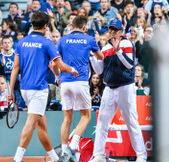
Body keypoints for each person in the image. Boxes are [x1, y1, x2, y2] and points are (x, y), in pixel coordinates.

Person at [9, 12, 78, 162]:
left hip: (24, 89)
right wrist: (72, 70)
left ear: (32, 24)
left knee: (42, 126)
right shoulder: (47, 43)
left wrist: (10, 90)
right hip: (39, 89)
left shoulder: (21, 42)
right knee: (31, 124)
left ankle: (54, 158)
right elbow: (60, 66)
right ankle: (17, 158)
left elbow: (15, 68)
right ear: (46, 26)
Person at [89, 19, 147, 162]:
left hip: (125, 87)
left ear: (121, 32)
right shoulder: (104, 48)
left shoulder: (127, 43)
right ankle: (99, 155)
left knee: (131, 122)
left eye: (116, 30)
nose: (113, 32)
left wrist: (118, 51)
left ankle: (141, 155)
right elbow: (100, 70)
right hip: (109, 87)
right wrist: (92, 58)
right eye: (111, 29)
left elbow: (129, 65)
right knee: (102, 122)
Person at [56, 15, 104, 160]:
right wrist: (91, 52)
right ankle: (73, 145)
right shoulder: (89, 39)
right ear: (84, 27)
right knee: (86, 115)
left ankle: (64, 151)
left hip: (64, 81)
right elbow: (101, 57)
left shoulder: (62, 39)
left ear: (71, 25)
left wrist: (58, 77)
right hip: (81, 81)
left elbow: (54, 62)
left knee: (66, 118)